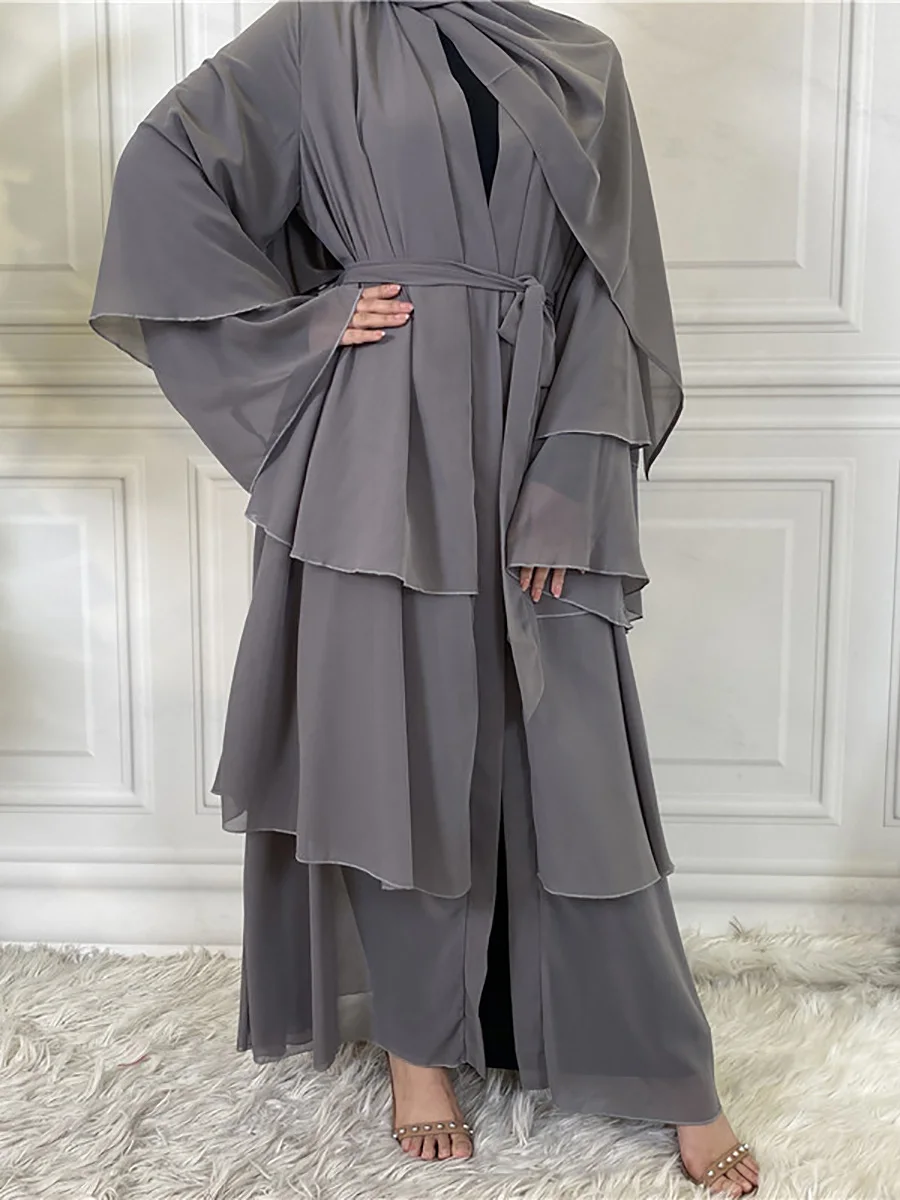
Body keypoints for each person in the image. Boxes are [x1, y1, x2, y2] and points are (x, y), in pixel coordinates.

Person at [88, 1, 760, 1194]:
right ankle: (417, 1049)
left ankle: (664, 1064)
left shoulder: (579, 63)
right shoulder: (317, 35)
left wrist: (574, 475)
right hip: (379, 449)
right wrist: (308, 323)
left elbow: (615, 291)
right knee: (391, 754)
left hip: (534, 436)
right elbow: (166, 170)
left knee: (578, 764)